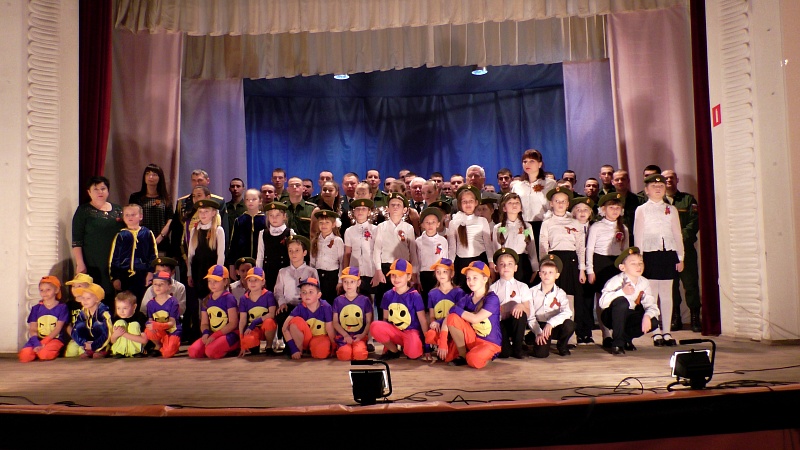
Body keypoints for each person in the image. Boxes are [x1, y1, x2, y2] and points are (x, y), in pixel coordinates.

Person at [634, 174, 684, 347]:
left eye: (661, 186)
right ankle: (655, 332)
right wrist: (638, 259)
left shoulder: (671, 209)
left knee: (667, 294)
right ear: (646, 190)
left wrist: (680, 256)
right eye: (654, 186)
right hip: (650, 254)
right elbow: (638, 235)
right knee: (652, 294)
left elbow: (677, 233)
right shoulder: (642, 210)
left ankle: (667, 331)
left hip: (668, 253)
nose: (658, 189)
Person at [540, 186, 585, 347]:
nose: (560, 204)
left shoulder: (575, 223)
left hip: (571, 261)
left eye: (563, 201)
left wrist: (582, 269)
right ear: (551, 203)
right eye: (557, 201)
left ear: (568, 204)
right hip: (553, 261)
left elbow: (580, 247)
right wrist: (543, 265)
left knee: (569, 299)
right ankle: (549, 333)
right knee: (552, 297)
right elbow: (543, 246)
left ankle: (569, 337)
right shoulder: (547, 223)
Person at [71, 176, 124, 307]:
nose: (100, 192)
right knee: (94, 294)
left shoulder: (118, 210)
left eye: (103, 188)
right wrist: (80, 263)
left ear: (108, 191)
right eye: (96, 189)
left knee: (114, 295)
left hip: (114, 261)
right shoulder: (83, 211)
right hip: (92, 260)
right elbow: (77, 240)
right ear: (89, 192)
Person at [599, 247, 661, 355]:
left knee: (653, 321)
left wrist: (647, 316)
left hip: (629, 315)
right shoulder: (616, 280)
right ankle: (617, 344)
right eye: (633, 263)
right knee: (622, 302)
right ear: (622, 267)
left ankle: (625, 339)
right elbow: (602, 303)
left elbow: (651, 304)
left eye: (640, 263)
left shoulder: (644, 282)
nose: (638, 266)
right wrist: (622, 292)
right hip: (612, 315)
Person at [586, 193, 629, 348]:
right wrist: (590, 269)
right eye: (611, 207)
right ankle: (606, 334)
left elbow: (626, 251)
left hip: (616, 264)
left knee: (618, 297)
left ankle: (620, 333)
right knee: (602, 298)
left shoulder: (623, 228)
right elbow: (589, 249)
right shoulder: (596, 226)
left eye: (618, 207)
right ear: (603, 209)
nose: (615, 210)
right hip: (600, 262)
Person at [443, 261, 501, 368]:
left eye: (475, 278)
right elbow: (450, 315)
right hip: (473, 339)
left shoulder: (492, 298)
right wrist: (442, 340)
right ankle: (463, 355)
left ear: (485, 279)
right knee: (453, 317)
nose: (470, 281)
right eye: (468, 278)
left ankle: (484, 356)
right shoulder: (467, 298)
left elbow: (476, 319)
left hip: (489, 342)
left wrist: (456, 309)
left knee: (474, 360)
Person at [369, 259, 430, 361]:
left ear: (409, 277)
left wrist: (427, 346)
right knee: (375, 326)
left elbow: (423, 321)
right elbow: (385, 320)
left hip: (411, 332)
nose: (396, 278)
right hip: (395, 331)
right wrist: (386, 347)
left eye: (400, 275)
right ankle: (393, 351)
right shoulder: (387, 295)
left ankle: (412, 346)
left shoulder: (415, 296)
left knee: (413, 354)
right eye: (393, 275)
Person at [663, 169, 701, 332]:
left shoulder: (687, 199)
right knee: (671, 286)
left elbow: (694, 222)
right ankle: (675, 317)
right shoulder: (657, 202)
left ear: (677, 180)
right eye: (665, 178)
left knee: (690, 284)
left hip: (685, 250)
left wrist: (679, 238)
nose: (668, 180)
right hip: (666, 251)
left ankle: (695, 318)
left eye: (671, 177)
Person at [184, 198, 226, 343]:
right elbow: (191, 254)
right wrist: (189, 273)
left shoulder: (218, 230)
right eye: (200, 212)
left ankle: (215, 330)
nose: (203, 214)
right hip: (198, 270)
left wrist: (218, 275)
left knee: (213, 299)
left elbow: (221, 254)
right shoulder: (194, 230)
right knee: (200, 302)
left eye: (206, 211)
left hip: (212, 270)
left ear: (213, 213)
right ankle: (201, 331)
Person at [371, 193, 417, 320]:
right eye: (392, 205)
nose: (395, 207)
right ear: (387, 208)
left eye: (398, 205)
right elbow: (377, 250)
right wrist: (378, 270)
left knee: (402, 299)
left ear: (405, 210)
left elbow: (413, 252)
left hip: (403, 268)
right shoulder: (381, 227)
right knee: (384, 299)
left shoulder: (408, 228)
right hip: (386, 268)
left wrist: (414, 272)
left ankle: (401, 324)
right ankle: (383, 325)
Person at [511, 149, 557, 258]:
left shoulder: (550, 184)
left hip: (542, 225)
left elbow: (552, 207)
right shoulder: (517, 186)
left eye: (532, 161)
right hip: (524, 225)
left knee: (541, 255)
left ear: (540, 164)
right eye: (525, 161)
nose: (527, 164)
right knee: (525, 254)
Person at [274, 235, 319, 347]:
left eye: (297, 250)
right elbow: (278, 291)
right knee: (281, 315)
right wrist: (282, 303)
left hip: (305, 305)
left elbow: (316, 290)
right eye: (290, 251)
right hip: (289, 306)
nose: (293, 253)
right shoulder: (283, 272)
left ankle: (305, 342)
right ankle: (288, 343)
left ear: (304, 253)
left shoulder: (311, 271)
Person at [527, 255, 575, 357]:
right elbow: (530, 316)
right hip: (539, 325)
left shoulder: (560, 293)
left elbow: (567, 312)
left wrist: (551, 323)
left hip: (554, 326)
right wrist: (538, 332)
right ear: (539, 274)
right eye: (544, 272)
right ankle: (532, 337)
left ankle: (562, 345)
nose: (546, 275)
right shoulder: (531, 292)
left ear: (557, 275)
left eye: (550, 272)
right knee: (541, 354)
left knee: (569, 325)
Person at [188, 265, 240, 359]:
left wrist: (216, 335)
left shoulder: (229, 298)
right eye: (209, 281)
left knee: (211, 352)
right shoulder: (206, 300)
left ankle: (233, 348)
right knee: (193, 351)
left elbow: (233, 323)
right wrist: (205, 333)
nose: (212, 284)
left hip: (229, 334)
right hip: (213, 334)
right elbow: (204, 323)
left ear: (225, 281)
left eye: (216, 281)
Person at [109, 204, 158, 303]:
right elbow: (114, 258)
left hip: (142, 274)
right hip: (124, 275)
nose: (130, 217)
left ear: (140, 216)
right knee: (124, 301)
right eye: (127, 215)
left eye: (133, 214)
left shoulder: (147, 233)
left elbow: (153, 255)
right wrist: (115, 278)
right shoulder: (121, 235)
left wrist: (151, 272)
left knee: (142, 300)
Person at [490, 248, 533, 359]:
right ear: (496, 268)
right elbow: (489, 311)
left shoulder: (522, 286)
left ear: (515, 268)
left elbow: (528, 311)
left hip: (516, 322)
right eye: (502, 264)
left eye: (510, 264)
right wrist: (501, 312)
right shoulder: (492, 288)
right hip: (500, 323)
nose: (506, 267)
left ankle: (518, 348)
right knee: (504, 354)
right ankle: (506, 346)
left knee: (521, 313)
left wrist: (521, 305)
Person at [447, 185, 492, 290]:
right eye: (464, 202)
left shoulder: (482, 221)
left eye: (471, 201)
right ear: (460, 204)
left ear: (476, 203)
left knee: (480, 289)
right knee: (462, 289)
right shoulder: (454, 222)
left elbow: (488, 245)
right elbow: (452, 247)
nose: (468, 204)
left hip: (479, 259)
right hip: (461, 262)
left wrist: (491, 264)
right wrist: (451, 265)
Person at [283, 277, 336, 360]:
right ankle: (299, 350)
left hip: (320, 337)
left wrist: (334, 346)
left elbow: (330, 328)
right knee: (295, 321)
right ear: (300, 295)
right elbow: (284, 328)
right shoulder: (299, 308)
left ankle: (314, 349)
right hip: (306, 338)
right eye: (304, 292)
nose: (307, 295)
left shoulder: (325, 306)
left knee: (321, 353)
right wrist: (293, 349)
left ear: (319, 295)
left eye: (311, 292)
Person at [19, 276, 69, 362]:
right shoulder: (36, 308)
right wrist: (36, 343)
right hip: (38, 339)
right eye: (41, 290)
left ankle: (47, 351)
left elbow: (58, 328)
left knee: (44, 355)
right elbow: (33, 329)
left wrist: (44, 342)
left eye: (48, 290)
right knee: (25, 356)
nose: (44, 293)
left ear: (56, 290)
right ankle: (38, 351)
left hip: (54, 339)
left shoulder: (62, 307)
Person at [493, 192, 537, 286]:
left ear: (521, 208)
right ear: (504, 208)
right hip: (506, 263)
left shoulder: (526, 227)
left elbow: (531, 248)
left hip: (522, 263)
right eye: (510, 203)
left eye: (517, 202)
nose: (514, 205)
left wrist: (535, 267)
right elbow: (497, 249)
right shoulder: (499, 227)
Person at [424, 258, 463, 363]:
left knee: (449, 358)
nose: (441, 274)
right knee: (430, 335)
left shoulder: (459, 292)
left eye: (445, 271)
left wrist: (440, 322)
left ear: (452, 274)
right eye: (438, 272)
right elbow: (432, 316)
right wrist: (433, 323)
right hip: (439, 328)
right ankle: (440, 346)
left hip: (454, 329)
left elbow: (458, 316)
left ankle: (451, 347)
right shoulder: (432, 293)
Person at [128, 163, 173, 253]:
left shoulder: (165, 198)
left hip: (161, 242)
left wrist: (160, 238)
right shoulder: (135, 197)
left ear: (160, 178)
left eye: (154, 174)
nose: (150, 177)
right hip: (140, 241)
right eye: (148, 174)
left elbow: (170, 219)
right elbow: (131, 218)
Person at [569, 196, 596, 345]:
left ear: (590, 212)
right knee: (578, 299)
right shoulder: (570, 228)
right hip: (576, 266)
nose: (582, 212)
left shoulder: (594, 228)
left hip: (591, 266)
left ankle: (588, 331)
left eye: (585, 209)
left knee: (589, 299)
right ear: (573, 213)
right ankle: (578, 331)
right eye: (578, 210)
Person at [332, 267, 373, 361]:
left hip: (359, 336)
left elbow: (369, 322)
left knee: (360, 355)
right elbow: (335, 322)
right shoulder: (338, 300)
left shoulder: (365, 300)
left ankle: (360, 347)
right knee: (344, 355)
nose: (348, 285)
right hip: (343, 336)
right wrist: (345, 335)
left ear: (358, 283)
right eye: (345, 282)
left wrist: (362, 335)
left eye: (352, 282)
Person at [226, 188, 266, 279]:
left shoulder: (265, 220)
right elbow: (233, 244)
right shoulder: (239, 220)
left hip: (261, 262)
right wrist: (231, 265)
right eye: (247, 199)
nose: (250, 202)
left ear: (260, 201)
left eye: (254, 199)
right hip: (242, 262)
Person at [238, 267, 278, 356]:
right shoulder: (244, 298)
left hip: (265, 327)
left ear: (263, 282)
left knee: (269, 322)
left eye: (256, 280)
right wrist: (242, 341)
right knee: (250, 342)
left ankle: (269, 346)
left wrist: (255, 322)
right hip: (253, 329)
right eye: (249, 280)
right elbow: (242, 320)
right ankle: (255, 345)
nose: (252, 283)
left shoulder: (268, 295)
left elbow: (271, 314)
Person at [65, 283, 112, 358]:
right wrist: (84, 344)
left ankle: (102, 350)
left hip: (102, 343)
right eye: (83, 298)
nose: (84, 301)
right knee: (80, 326)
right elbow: (75, 330)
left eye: (88, 298)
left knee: (97, 325)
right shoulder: (83, 312)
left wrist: (94, 345)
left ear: (97, 299)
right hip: (88, 343)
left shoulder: (103, 313)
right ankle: (88, 350)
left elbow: (107, 334)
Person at [256, 201, 295, 291]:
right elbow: (260, 256)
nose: (274, 218)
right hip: (268, 272)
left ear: (284, 216)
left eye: (278, 215)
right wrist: (259, 275)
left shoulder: (290, 233)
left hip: (285, 272)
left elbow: (293, 257)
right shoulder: (263, 233)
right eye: (271, 215)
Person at [143, 270, 182, 358]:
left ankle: (172, 344)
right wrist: (149, 324)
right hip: (160, 331)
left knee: (167, 353)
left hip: (172, 331)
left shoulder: (173, 302)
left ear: (169, 286)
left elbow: (172, 323)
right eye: (155, 284)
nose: (158, 287)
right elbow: (150, 320)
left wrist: (157, 325)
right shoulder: (150, 303)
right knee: (148, 330)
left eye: (161, 284)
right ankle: (159, 345)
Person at [415, 207, 448, 309]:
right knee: (426, 302)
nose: (430, 225)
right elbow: (417, 261)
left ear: (438, 224)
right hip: (424, 274)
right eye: (427, 222)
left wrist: (445, 278)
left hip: (438, 274)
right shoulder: (418, 241)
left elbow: (445, 260)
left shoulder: (442, 240)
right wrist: (417, 279)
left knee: (438, 301)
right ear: (422, 225)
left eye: (433, 222)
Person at [343, 198, 377, 297]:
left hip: (371, 272)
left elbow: (379, 252)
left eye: (364, 209)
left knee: (371, 300)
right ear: (354, 212)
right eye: (357, 209)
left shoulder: (375, 229)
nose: (360, 211)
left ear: (369, 212)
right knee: (356, 300)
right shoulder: (349, 231)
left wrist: (378, 273)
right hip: (355, 273)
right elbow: (347, 254)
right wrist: (345, 273)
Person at [309, 209, 344, 304]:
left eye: (327, 222)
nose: (323, 225)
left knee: (331, 302)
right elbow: (312, 263)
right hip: (318, 276)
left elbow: (342, 262)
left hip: (332, 277)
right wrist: (312, 279)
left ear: (333, 224)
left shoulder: (337, 241)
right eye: (321, 223)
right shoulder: (315, 241)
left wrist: (340, 281)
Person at [108, 291, 148, 358]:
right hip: (120, 349)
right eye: (118, 308)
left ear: (134, 307)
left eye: (125, 308)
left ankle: (136, 351)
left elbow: (144, 340)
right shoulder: (116, 319)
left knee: (134, 325)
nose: (121, 311)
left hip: (137, 348)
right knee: (120, 323)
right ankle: (119, 352)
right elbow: (112, 341)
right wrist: (116, 334)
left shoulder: (140, 317)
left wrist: (124, 333)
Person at [611, 170, 641, 243]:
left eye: (623, 179)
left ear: (628, 181)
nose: (620, 182)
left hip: (634, 239)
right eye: (617, 180)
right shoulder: (607, 202)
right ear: (612, 182)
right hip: (614, 240)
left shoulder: (638, 200)